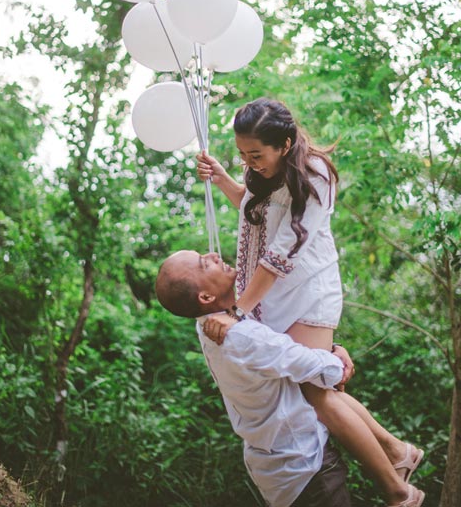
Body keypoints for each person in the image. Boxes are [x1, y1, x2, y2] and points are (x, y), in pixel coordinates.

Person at [195, 98, 423, 506]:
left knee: (317, 393)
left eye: (255, 154)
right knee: (313, 388)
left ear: (284, 144)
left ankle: (398, 490)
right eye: (242, 154)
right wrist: (223, 178)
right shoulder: (261, 172)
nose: (249, 162)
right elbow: (253, 214)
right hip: (274, 299)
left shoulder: (314, 175)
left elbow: (279, 255)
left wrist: (237, 313)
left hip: (308, 293)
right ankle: (396, 452)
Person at [155, 250, 424, 507]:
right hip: (304, 468)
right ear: (205, 297)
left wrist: (330, 350)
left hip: (280, 472)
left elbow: (276, 349)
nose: (213, 255)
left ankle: (398, 457)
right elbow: (311, 367)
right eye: (205, 263)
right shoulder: (240, 336)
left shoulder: (209, 325)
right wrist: (337, 362)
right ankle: (399, 480)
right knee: (324, 392)